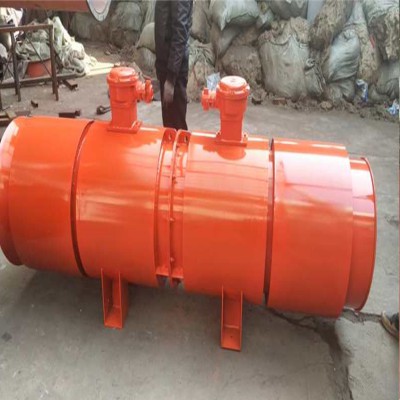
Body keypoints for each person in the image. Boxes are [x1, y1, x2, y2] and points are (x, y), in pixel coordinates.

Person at [155, 0, 193, 131]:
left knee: (177, 127)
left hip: (174, 70)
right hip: (166, 65)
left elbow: (180, 34)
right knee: (169, 128)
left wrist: (171, 80)